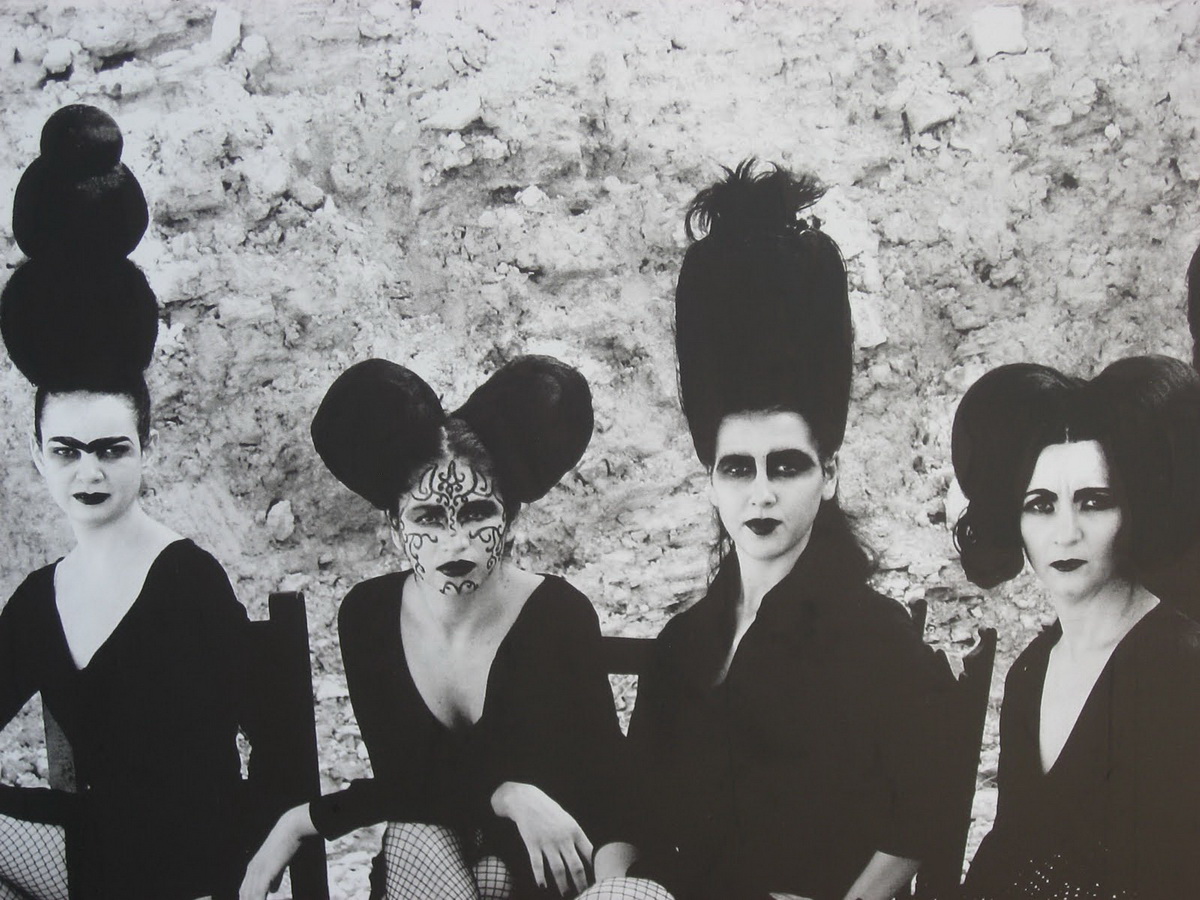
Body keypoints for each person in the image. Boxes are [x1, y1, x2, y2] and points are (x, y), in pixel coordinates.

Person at [586, 162, 954, 900]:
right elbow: (628, 812)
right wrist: (616, 886)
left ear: (829, 473)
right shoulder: (682, 645)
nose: (761, 493)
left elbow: (919, 821)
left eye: (786, 466)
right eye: (737, 469)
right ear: (711, 480)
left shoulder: (877, 639)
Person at [0, 106, 266, 899]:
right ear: (38, 457)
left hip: (195, 865)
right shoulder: (39, 601)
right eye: (66, 451)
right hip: (94, 859)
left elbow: (276, 742)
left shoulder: (187, 578)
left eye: (111, 449)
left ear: (145, 449)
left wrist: (258, 864)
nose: (89, 473)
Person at [241, 356, 623, 900]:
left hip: (543, 876)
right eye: (428, 518)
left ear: (510, 518)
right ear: (394, 525)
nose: (455, 541)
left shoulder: (557, 615)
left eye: (477, 513)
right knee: (416, 836)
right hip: (427, 866)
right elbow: (408, 788)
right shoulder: (369, 617)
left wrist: (308, 820)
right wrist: (507, 795)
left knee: (485, 870)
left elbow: (608, 790)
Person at [953, 356, 1200, 899]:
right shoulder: (1030, 674)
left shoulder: (1180, 666)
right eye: (1040, 505)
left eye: (1094, 502)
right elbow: (1008, 853)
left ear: (1132, 512)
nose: (1065, 533)